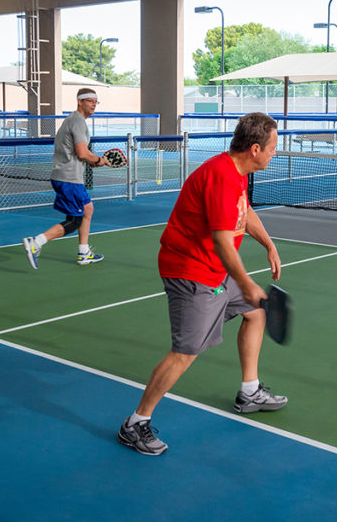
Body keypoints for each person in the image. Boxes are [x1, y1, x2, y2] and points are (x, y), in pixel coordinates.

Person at [118, 112, 285, 456]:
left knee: (256, 313)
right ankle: (135, 423)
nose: (274, 155)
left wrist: (268, 243)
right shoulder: (222, 178)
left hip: (210, 269)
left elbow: (245, 211)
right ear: (255, 149)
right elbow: (223, 242)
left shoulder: (237, 173)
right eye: (272, 149)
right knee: (185, 353)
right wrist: (248, 282)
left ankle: (249, 391)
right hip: (190, 271)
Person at [21, 88, 110, 269]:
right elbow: (82, 152)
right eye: (90, 101)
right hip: (69, 179)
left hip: (68, 176)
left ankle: (84, 253)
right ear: (80, 101)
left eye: (96, 101)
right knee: (74, 221)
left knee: (88, 209)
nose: (93, 105)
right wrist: (99, 160)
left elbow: (79, 154)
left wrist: (92, 161)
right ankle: (36, 242)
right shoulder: (77, 122)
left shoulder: (72, 120)